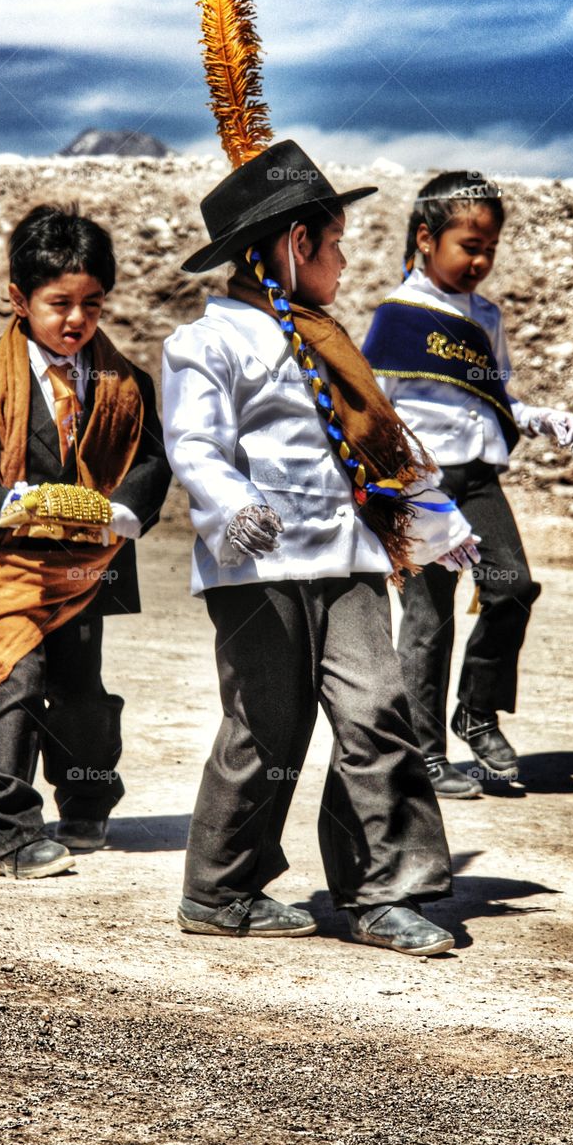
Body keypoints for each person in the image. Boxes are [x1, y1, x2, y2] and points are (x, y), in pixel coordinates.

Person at [163, 139, 481, 955]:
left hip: (345, 564)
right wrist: (233, 507)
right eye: (334, 243)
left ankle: (382, 893)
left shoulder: (330, 343)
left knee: (378, 710)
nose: (343, 260)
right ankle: (220, 888)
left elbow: (382, 449)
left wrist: (439, 527)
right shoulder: (208, 342)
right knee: (264, 728)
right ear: (296, 246)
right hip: (256, 569)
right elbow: (195, 448)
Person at [0, 204, 170, 877]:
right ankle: (7, 833)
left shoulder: (125, 383)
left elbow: (151, 460)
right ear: (19, 299)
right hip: (8, 563)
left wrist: (126, 512)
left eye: (93, 303)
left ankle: (85, 803)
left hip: (93, 565)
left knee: (82, 691)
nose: (77, 320)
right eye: (60, 303)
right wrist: (5, 504)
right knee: (16, 679)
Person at [363, 172, 573, 799]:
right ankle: (425, 754)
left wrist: (537, 416)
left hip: (480, 478)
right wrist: (405, 492)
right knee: (429, 620)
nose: (481, 260)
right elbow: (377, 410)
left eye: (490, 248)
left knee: (511, 584)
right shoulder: (398, 317)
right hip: (422, 486)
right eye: (469, 245)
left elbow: (495, 396)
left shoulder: (486, 315)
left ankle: (477, 710)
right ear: (427, 239)